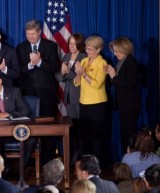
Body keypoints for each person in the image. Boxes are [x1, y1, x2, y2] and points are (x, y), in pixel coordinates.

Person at [16, 20, 60, 163]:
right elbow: (17, 70)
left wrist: (40, 61)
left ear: (39, 32)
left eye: (33, 34)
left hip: (46, 94)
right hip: (27, 94)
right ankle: (28, 161)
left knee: (47, 127)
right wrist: (29, 65)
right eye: (28, 34)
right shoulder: (21, 47)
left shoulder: (50, 46)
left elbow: (54, 68)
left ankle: (48, 161)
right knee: (28, 128)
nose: (30, 37)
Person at [0, 72, 34, 167]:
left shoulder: (14, 92)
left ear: (0, 81)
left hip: (17, 131)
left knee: (31, 139)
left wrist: (8, 114)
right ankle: (5, 168)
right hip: (0, 134)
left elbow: (26, 111)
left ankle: (21, 169)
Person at [74, 36, 108, 168]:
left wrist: (83, 74)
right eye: (86, 48)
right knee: (84, 136)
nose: (87, 51)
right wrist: (78, 74)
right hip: (84, 103)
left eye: (91, 49)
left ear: (98, 50)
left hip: (97, 104)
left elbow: (97, 84)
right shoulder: (83, 61)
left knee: (97, 137)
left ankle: (99, 165)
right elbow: (76, 83)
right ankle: (86, 165)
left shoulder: (102, 63)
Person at [104, 37, 141, 154]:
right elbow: (118, 80)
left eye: (117, 51)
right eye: (114, 51)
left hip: (130, 105)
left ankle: (131, 160)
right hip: (124, 105)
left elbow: (130, 83)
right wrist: (110, 74)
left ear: (125, 49)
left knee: (129, 134)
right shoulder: (121, 61)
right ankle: (126, 160)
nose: (115, 54)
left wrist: (113, 76)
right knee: (124, 133)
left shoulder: (131, 62)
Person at [55, 33, 86, 164]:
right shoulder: (66, 56)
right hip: (69, 97)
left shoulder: (84, 57)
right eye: (70, 43)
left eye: (74, 44)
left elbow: (82, 78)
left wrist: (68, 72)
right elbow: (59, 77)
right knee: (72, 128)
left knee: (81, 129)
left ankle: (81, 157)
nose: (71, 46)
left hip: (80, 96)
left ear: (79, 44)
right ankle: (72, 158)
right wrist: (62, 72)